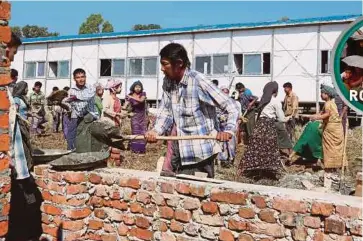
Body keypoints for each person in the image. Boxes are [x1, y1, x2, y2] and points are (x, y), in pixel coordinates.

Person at [145, 43, 239, 178]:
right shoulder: (168, 82)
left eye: (165, 64)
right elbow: (166, 111)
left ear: (179, 63)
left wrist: (228, 130)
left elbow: (231, 106)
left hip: (200, 153)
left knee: (194, 194)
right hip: (180, 151)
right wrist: (156, 131)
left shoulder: (198, 81)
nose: (161, 69)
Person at [5, 33, 43, 241]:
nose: (11, 58)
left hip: (16, 157)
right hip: (11, 158)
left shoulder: (13, 96)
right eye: (13, 52)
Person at [238, 81, 290, 178]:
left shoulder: (263, 100)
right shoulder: (275, 101)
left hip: (259, 126)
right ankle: (268, 172)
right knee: (269, 148)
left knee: (255, 147)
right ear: (275, 90)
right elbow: (281, 119)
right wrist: (288, 118)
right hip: (269, 126)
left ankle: (249, 170)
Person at [310, 84, 344, 188]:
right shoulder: (328, 103)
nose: (321, 95)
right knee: (333, 149)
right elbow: (321, 113)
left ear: (327, 94)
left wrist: (316, 118)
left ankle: (329, 171)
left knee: (330, 150)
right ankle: (332, 170)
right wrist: (316, 115)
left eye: (323, 93)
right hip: (335, 129)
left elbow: (326, 114)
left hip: (332, 130)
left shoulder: (329, 103)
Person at [63, 68, 99, 151]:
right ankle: (71, 150)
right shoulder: (71, 91)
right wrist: (63, 102)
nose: (81, 79)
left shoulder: (91, 88)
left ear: (85, 77)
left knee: (90, 132)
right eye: (78, 77)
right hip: (76, 114)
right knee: (71, 132)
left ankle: (90, 151)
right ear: (74, 79)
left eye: (82, 77)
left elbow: (87, 97)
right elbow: (67, 102)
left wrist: (75, 98)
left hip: (90, 114)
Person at [218, 86, 238, 167]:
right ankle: (223, 160)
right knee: (221, 144)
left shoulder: (233, 102)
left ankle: (231, 159)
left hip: (230, 127)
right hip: (220, 127)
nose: (224, 94)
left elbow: (236, 114)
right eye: (223, 92)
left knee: (231, 144)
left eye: (226, 93)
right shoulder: (217, 102)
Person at [125, 81, 148, 154]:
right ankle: (135, 150)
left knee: (142, 132)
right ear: (133, 87)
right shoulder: (130, 95)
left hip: (142, 116)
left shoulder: (143, 94)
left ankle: (141, 150)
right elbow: (125, 106)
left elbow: (141, 100)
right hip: (134, 116)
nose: (138, 88)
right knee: (135, 132)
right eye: (136, 87)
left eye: (139, 87)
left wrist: (131, 97)